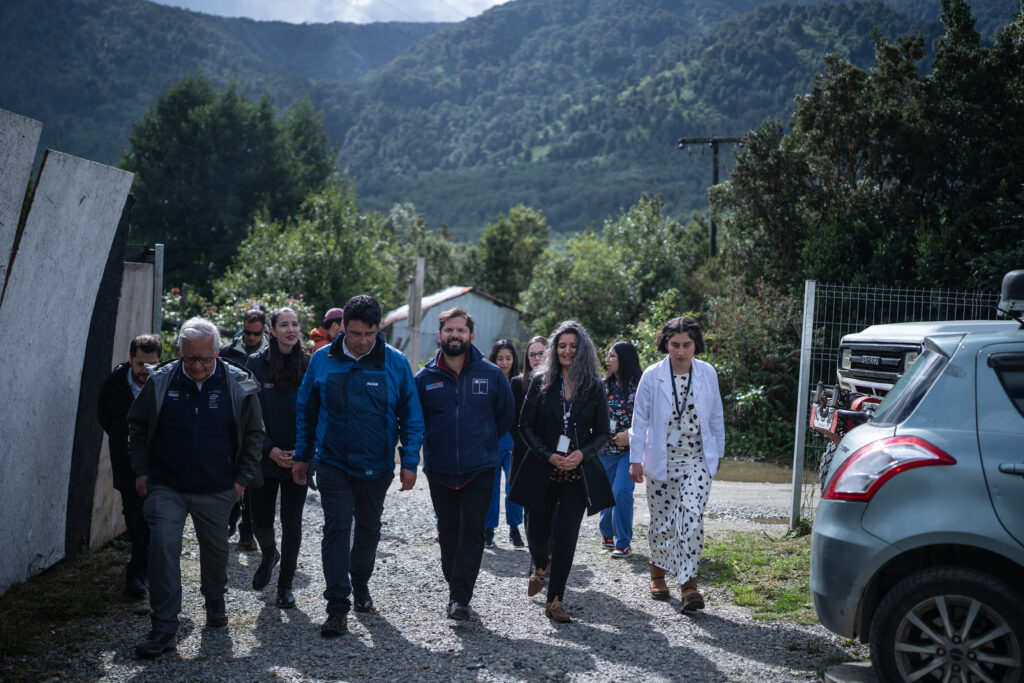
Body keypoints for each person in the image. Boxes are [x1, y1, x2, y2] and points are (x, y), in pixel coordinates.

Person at [128, 317, 264, 658]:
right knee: (162, 544)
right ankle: (164, 627)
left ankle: (215, 600)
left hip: (217, 487)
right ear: (180, 353)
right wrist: (142, 472)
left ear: (218, 352)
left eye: (206, 358)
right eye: (191, 358)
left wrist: (240, 482)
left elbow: (254, 434)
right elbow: (138, 426)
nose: (199, 365)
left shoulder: (237, 384)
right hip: (167, 484)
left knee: (216, 553)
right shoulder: (160, 382)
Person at [293, 295, 424, 638]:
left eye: (369, 334)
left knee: (368, 528)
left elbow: (412, 416)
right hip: (333, 462)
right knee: (336, 528)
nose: (363, 341)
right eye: (355, 334)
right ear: (342, 328)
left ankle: (360, 583)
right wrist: (302, 456)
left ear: (378, 328)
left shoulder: (395, 363)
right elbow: (306, 409)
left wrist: (409, 461)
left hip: (377, 466)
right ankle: (337, 605)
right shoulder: (323, 360)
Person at [509, 320, 613, 623]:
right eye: (562, 345)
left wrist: (582, 453)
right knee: (537, 534)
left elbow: (603, 432)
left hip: (576, 475)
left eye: (573, 346)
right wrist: (548, 455)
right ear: (556, 349)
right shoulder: (542, 381)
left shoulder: (594, 386)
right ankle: (540, 564)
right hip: (543, 469)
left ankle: (555, 599)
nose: (567, 350)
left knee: (566, 537)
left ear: (583, 351)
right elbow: (523, 426)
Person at [415, 308, 514, 620]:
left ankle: (459, 598)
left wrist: (482, 444)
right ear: (440, 334)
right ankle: (456, 585)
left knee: (472, 531)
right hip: (440, 470)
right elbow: (416, 422)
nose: (454, 335)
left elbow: (505, 417)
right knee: (448, 532)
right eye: (449, 330)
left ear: (472, 335)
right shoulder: (425, 378)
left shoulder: (492, 374)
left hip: (480, 468)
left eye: (460, 330)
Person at [629, 317, 724, 611]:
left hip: (696, 458)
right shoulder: (652, 375)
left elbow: (716, 416)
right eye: (675, 345)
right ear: (665, 344)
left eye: (687, 345)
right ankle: (657, 574)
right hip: (661, 458)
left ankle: (689, 587)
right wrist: (635, 459)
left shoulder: (707, 373)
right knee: (663, 522)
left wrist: (718, 451)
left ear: (696, 344)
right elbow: (640, 419)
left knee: (691, 519)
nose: (681, 352)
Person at [244, 308, 310, 609]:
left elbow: (317, 412)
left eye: (295, 324)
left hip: (298, 458)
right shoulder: (256, 364)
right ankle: (269, 554)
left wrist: (303, 451)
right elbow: (249, 414)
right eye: (284, 325)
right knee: (260, 522)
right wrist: (268, 449)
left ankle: (285, 586)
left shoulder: (309, 364)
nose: (290, 330)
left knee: (292, 522)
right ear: (272, 330)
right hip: (264, 456)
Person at [97, 333, 161, 599]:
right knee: (135, 520)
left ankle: (147, 572)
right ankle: (136, 575)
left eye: (151, 365)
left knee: (154, 520)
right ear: (130, 360)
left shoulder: (164, 382)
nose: (145, 371)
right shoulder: (114, 384)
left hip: (158, 465)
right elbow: (105, 418)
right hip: (127, 466)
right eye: (140, 365)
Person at [220, 307, 268, 551]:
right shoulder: (229, 353)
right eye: (247, 333)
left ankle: (247, 530)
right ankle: (230, 517)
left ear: (264, 330)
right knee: (231, 474)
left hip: (258, 421)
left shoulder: (270, 355)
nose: (250, 338)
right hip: (232, 421)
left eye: (256, 334)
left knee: (251, 478)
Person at [598, 341, 642, 558]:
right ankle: (606, 531)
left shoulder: (641, 385)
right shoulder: (602, 385)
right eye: (607, 355)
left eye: (612, 356)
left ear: (624, 359)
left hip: (629, 451)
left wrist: (630, 435)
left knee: (621, 492)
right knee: (605, 494)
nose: (607, 360)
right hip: (604, 451)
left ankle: (623, 542)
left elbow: (650, 419)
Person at [484, 339, 524, 549]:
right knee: (490, 490)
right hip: (491, 444)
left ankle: (515, 528)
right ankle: (488, 529)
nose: (504, 362)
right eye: (500, 358)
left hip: (513, 445)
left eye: (508, 358)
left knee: (514, 488)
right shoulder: (487, 380)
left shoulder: (519, 383)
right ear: (493, 359)